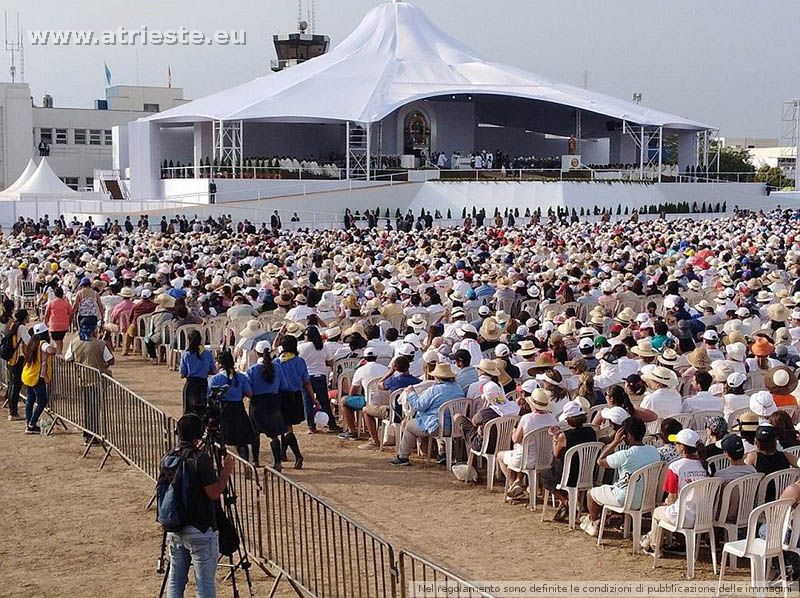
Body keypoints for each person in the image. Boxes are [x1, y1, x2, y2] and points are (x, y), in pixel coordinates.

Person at [162, 413, 234, 598]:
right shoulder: (200, 459)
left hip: (176, 527)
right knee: (205, 584)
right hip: (200, 529)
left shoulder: (169, 457)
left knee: (176, 580)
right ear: (199, 433)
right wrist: (226, 472)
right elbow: (214, 493)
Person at [583, 417, 659, 537]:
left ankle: (594, 523)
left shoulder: (626, 455)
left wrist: (615, 442)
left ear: (628, 435)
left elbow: (600, 461)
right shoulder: (654, 451)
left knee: (591, 493)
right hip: (647, 498)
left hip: (624, 499)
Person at [640, 428, 708, 554]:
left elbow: (671, 497)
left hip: (683, 516)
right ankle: (680, 543)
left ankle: (654, 546)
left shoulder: (676, 466)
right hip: (703, 516)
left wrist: (667, 504)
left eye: (677, 443)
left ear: (682, 447)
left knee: (658, 512)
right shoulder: (704, 465)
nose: (675, 446)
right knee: (672, 509)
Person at [389, 362, 463, 466]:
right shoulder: (458, 388)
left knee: (410, 425)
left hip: (439, 427)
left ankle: (403, 457)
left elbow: (418, 405)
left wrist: (411, 392)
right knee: (438, 418)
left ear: (437, 376)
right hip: (455, 426)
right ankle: (442, 453)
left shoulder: (434, 390)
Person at [538, 400, 597, 519]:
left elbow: (555, 453)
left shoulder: (563, 436)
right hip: (586, 473)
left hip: (569, 476)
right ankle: (565, 504)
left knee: (543, 475)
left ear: (568, 420)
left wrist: (555, 437)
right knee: (556, 468)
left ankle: (567, 502)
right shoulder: (591, 431)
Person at [499, 389, 559, 496]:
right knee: (524, 451)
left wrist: (513, 431)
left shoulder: (526, 418)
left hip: (525, 460)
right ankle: (519, 483)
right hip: (546, 459)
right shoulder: (553, 419)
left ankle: (512, 484)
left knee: (499, 456)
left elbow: (516, 439)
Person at [275, 333, 318, 469]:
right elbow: (307, 382)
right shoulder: (300, 361)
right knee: (287, 425)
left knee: (286, 427)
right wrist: (313, 398)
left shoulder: (277, 362)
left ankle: (297, 455)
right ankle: (283, 453)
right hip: (296, 396)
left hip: (280, 396)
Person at [208, 351, 255, 463]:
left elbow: (210, 396)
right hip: (238, 409)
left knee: (220, 439)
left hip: (223, 410)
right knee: (241, 440)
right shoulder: (241, 377)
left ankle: (220, 464)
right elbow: (249, 393)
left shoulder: (215, 379)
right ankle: (246, 462)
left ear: (220, 364)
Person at [245, 341, 286, 470]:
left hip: (257, 403)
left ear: (257, 353)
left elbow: (248, 390)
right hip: (273, 402)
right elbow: (283, 385)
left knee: (255, 433)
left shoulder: (252, 370)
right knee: (274, 434)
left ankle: (256, 461)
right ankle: (277, 462)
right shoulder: (277, 368)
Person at [338, 347, 389, 441]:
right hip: (386, 400)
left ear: (364, 358)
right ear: (376, 357)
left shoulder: (361, 370)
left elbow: (352, 393)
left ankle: (352, 431)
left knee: (344, 401)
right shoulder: (385, 369)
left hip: (369, 401)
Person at [297, 326, 337, 433]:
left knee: (307, 402)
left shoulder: (301, 347)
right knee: (324, 401)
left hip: (307, 377)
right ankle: (331, 424)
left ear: (306, 336)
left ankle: (311, 426)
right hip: (321, 376)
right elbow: (330, 362)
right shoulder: (322, 346)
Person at [21, 322, 58, 434]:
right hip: (37, 377)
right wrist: (54, 349)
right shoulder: (42, 343)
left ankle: (29, 423)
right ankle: (31, 424)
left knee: (30, 400)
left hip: (28, 375)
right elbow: (51, 350)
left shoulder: (32, 343)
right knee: (42, 401)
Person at [179, 330, 217, 416]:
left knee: (189, 411)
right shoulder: (207, 353)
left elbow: (182, 374)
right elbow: (214, 370)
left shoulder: (186, 354)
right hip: (203, 384)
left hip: (191, 385)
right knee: (202, 411)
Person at [4, 309, 30, 421]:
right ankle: (13, 413)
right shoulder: (21, 328)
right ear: (24, 317)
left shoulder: (14, 325)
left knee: (12, 385)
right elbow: (29, 341)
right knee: (16, 386)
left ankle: (12, 411)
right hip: (17, 359)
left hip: (11, 359)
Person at [43, 286, 72, 354]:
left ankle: (58, 355)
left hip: (54, 326)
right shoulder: (66, 303)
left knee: (57, 341)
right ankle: (59, 354)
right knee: (60, 340)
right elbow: (71, 313)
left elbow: (46, 314)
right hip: (64, 326)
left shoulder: (51, 302)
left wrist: (45, 322)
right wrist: (69, 322)